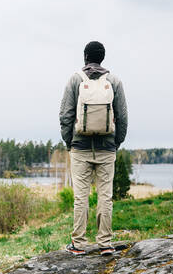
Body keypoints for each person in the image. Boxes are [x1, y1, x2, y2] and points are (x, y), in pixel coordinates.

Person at [59, 41, 128, 256]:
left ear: (85, 57)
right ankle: (105, 243)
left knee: (81, 197)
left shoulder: (75, 79)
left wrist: (69, 142)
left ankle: (78, 244)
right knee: (105, 196)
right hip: (107, 148)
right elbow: (123, 116)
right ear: (103, 57)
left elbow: (65, 115)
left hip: (80, 148)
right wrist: (116, 142)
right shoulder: (114, 80)